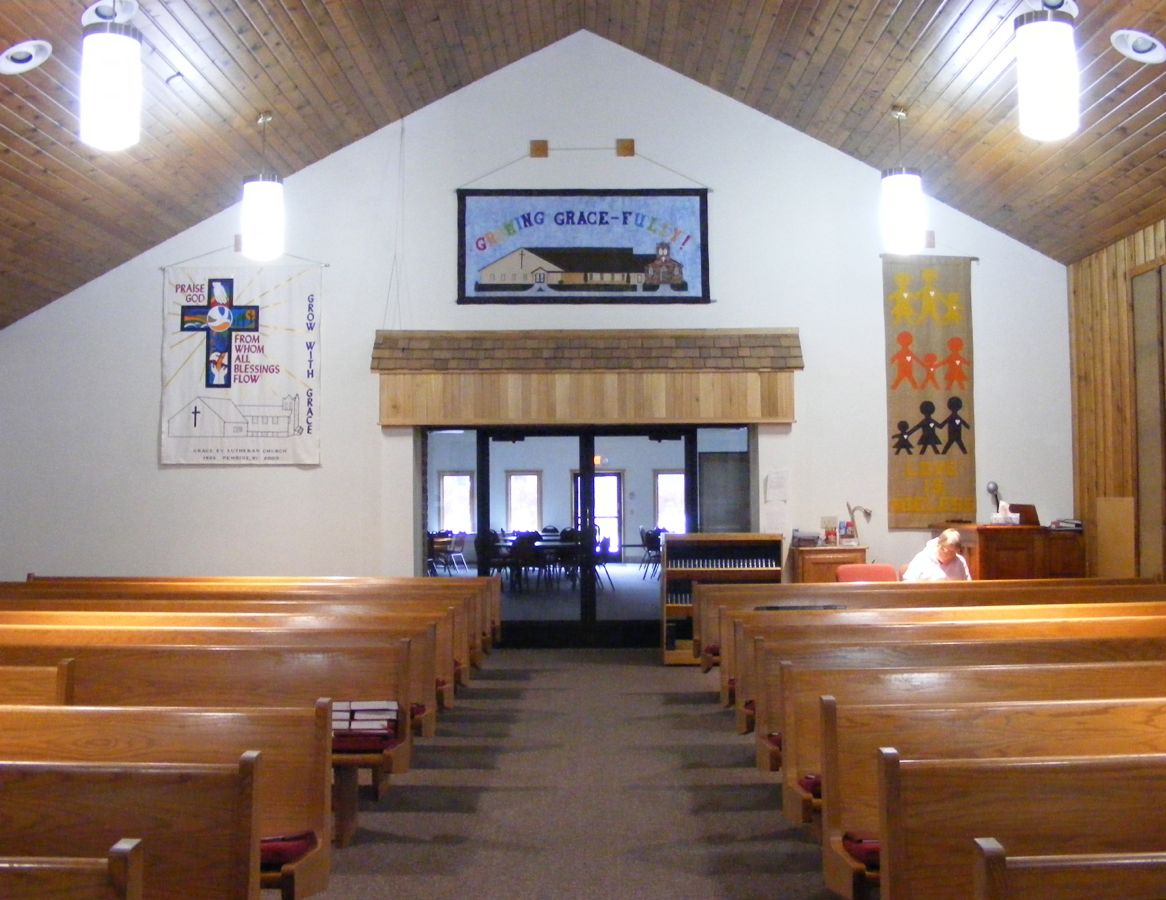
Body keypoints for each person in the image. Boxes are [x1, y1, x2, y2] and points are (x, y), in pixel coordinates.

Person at [901, 528, 971, 581]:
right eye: (945, 550)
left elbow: (968, 586)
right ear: (939, 546)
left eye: (952, 553)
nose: (948, 555)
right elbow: (907, 583)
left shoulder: (960, 561)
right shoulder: (922, 558)